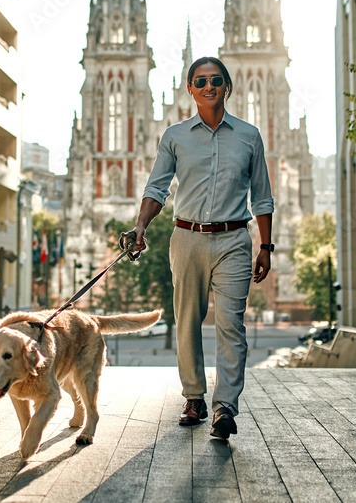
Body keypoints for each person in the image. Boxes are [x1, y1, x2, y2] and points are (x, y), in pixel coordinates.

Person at [129, 56, 274, 440]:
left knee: (232, 325)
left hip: (234, 240)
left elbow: (262, 197)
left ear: (227, 86)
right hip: (186, 237)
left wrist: (266, 246)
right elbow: (156, 188)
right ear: (189, 89)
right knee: (187, 321)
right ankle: (194, 397)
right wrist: (141, 225)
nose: (208, 86)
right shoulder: (175, 136)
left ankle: (225, 406)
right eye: (200, 81)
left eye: (215, 80)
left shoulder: (249, 136)